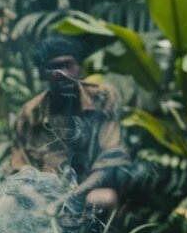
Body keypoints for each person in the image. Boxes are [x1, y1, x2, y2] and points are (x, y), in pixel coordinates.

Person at [10, 36, 130, 219]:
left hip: (90, 189)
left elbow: (109, 163)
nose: (64, 73)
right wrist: (36, 199)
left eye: (69, 65)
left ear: (79, 67)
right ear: (43, 74)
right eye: (55, 67)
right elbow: (19, 168)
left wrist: (69, 199)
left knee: (103, 199)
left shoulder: (102, 98)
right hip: (44, 197)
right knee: (2, 206)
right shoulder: (31, 113)